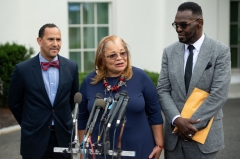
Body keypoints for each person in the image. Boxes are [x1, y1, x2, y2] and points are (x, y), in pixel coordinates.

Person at [157, 2, 231, 159]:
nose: (178, 29)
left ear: (200, 22)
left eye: (183, 25)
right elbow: (163, 89)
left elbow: (219, 94)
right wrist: (177, 120)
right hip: (174, 139)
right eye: (175, 25)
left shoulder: (220, 51)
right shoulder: (169, 52)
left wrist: (190, 125)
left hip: (204, 137)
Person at [78, 35, 164, 159]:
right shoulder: (89, 81)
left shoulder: (140, 77)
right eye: (112, 55)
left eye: (123, 53)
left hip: (138, 148)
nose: (120, 58)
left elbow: (155, 113)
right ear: (102, 59)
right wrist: (82, 149)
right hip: (100, 151)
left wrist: (160, 145)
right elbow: (82, 118)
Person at [8, 23, 79, 159]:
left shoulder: (71, 67)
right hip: (34, 138)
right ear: (39, 41)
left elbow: (72, 99)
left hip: (63, 137)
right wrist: (29, 124)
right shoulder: (23, 69)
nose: (55, 43)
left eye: (58, 39)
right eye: (50, 39)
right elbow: (14, 103)